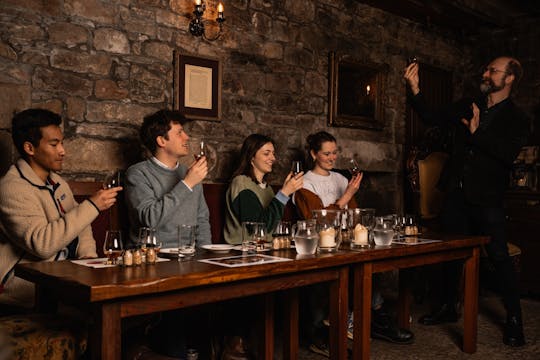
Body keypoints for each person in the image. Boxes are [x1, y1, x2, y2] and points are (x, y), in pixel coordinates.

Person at [404, 56, 530, 347]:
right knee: (451, 254)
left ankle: (514, 319)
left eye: (492, 70)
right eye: (486, 68)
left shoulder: (518, 119)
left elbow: (506, 154)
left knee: (499, 257)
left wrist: (477, 134)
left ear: (509, 78)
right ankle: (448, 307)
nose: (485, 73)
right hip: (456, 195)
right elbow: (432, 117)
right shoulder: (467, 104)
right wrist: (415, 88)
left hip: (487, 199)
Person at [294, 131, 414, 357]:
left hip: (345, 243)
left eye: (335, 152)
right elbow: (315, 219)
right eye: (326, 153)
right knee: (328, 272)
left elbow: (355, 217)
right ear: (313, 154)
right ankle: (320, 332)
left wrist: (348, 200)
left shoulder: (340, 179)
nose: (332, 157)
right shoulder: (304, 182)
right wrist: (346, 196)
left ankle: (374, 318)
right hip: (317, 247)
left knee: (371, 260)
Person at [0, 108, 121, 311]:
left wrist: (89, 259)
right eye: (54, 144)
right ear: (30, 148)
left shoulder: (57, 181)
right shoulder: (11, 188)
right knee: (111, 309)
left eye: (62, 143)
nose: (63, 151)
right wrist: (92, 205)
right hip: (29, 288)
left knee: (130, 303)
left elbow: (82, 227)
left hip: (66, 277)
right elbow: (42, 244)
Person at [125, 109, 211, 249]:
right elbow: (150, 219)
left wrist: (205, 255)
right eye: (179, 133)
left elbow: (202, 220)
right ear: (161, 140)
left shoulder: (189, 173)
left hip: (188, 256)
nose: (186, 137)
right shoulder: (137, 174)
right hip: (152, 257)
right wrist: (187, 183)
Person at [224, 134, 304, 244]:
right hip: (243, 251)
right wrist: (284, 193)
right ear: (251, 157)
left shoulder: (268, 188)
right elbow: (258, 229)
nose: (273, 158)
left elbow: (273, 226)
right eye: (266, 154)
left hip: (265, 249)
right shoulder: (241, 183)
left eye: (273, 154)